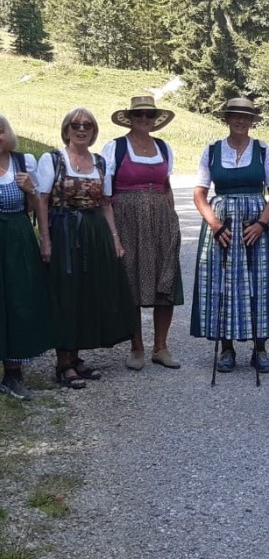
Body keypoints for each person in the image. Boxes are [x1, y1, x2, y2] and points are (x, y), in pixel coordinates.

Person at [37, 108, 135, 388]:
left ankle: (76, 357)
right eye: (76, 125)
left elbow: (105, 204)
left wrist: (114, 239)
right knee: (65, 292)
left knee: (87, 293)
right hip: (64, 230)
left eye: (88, 125)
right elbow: (42, 200)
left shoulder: (100, 163)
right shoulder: (53, 159)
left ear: (94, 132)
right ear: (66, 129)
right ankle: (63, 362)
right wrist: (46, 239)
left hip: (94, 233)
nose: (82, 129)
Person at [191, 97, 269, 374]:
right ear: (227, 119)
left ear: (252, 120)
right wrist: (215, 225)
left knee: (261, 284)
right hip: (223, 225)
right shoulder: (212, 151)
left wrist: (262, 224)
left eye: (246, 116)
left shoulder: (263, 150)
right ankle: (227, 348)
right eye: (235, 115)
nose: (241, 120)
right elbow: (199, 194)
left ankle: (260, 348)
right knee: (222, 284)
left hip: (256, 225)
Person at [103, 96, 183, 371]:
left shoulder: (163, 147)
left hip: (161, 220)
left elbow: (167, 185)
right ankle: (136, 347)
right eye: (139, 115)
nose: (145, 119)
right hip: (127, 220)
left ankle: (160, 347)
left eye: (150, 115)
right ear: (130, 118)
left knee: (166, 279)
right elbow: (105, 194)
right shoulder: (115, 147)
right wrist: (113, 234)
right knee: (131, 279)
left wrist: (172, 220)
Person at [0, 114, 53, 400]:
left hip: (18, 238)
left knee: (19, 301)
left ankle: (13, 374)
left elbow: (37, 207)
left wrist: (30, 189)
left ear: (7, 134)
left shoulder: (23, 164)